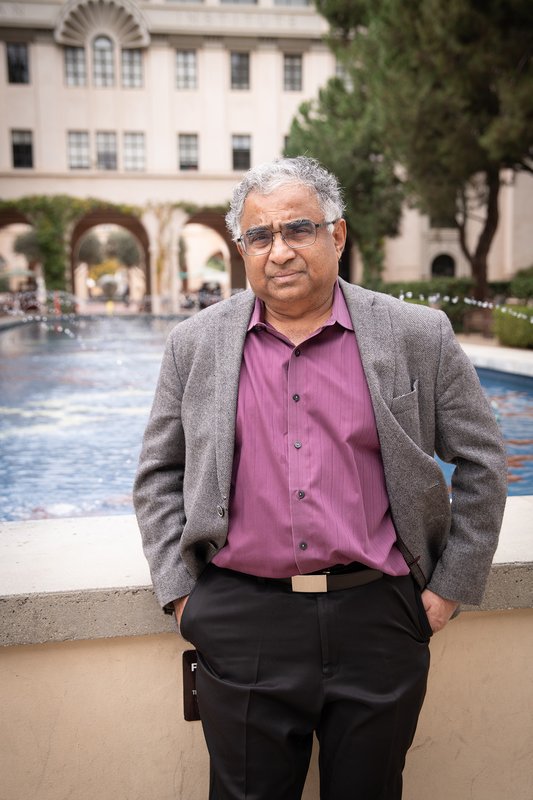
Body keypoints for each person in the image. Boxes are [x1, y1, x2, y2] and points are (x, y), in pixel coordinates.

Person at [133, 156, 507, 800]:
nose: (279, 252)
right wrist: (185, 596)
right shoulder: (194, 344)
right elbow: (158, 475)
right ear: (242, 248)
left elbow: (483, 462)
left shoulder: (419, 334)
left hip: (378, 619)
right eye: (260, 236)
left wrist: (449, 588)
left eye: (298, 229)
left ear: (336, 235)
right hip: (241, 619)